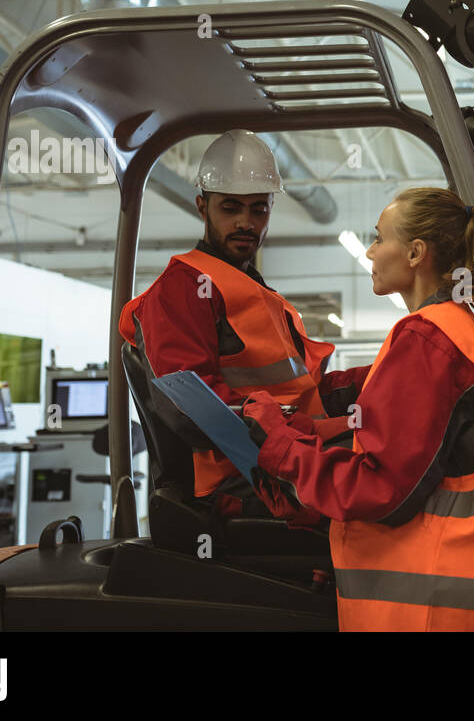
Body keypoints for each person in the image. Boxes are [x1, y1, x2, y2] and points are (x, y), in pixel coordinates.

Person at [241, 187, 474, 631]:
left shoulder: (426, 339)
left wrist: (283, 450)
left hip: (436, 606)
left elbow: (379, 488)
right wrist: (311, 414)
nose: (370, 250)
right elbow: (396, 423)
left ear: (414, 253)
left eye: (378, 237)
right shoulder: (451, 329)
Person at [118, 129, 367, 521]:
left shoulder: (250, 288)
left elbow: (304, 390)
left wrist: (384, 375)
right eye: (230, 208)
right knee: (382, 473)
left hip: (275, 454)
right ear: (202, 206)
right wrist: (291, 431)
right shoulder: (184, 288)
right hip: (241, 476)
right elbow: (192, 408)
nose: (245, 223)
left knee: (388, 443)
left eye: (258, 210)